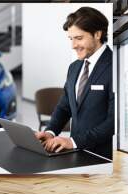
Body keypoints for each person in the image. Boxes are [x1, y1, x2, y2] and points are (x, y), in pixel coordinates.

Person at [35, 7, 114, 159]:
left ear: (97, 34)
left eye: (79, 38)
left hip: (103, 156)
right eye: (71, 39)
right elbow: (64, 106)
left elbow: (113, 121)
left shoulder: (115, 65)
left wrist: (73, 141)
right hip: (77, 154)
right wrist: (50, 132)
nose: (73, 45)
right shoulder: (75, 67)